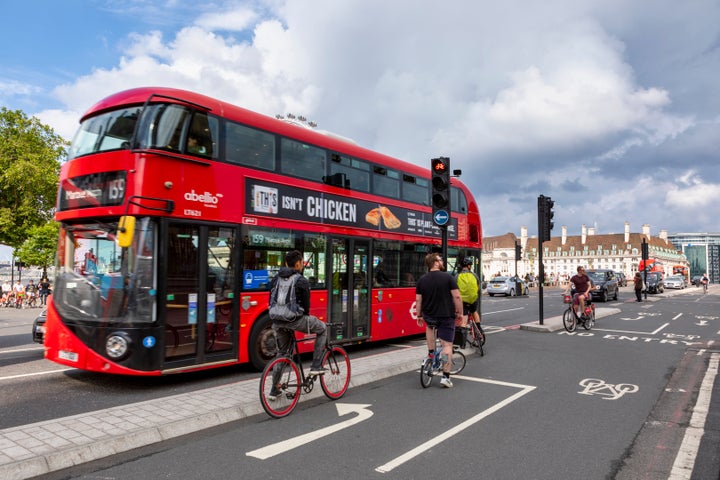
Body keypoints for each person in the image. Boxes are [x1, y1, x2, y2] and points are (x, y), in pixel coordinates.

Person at [268, 250, 328, 398]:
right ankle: (316, 366)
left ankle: (274, 391)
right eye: (302, 262)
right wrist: (305, 320)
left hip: (277, 321)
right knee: (322, 328)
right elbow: (306, 307)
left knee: (282, 354)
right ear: (297, 264)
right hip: (295, 320)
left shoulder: (276, 279)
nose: (303, 265)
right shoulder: (301, 280)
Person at [416, 253, 464, 388]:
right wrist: (460, 313)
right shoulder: (448, 278)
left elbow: (418, 300)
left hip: (429, 315)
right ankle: (445, 376)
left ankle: (431, 353)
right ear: (435, 263)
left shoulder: (422, 280)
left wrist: (419, 315)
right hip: (446, 316)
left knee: (430, 327)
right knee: (447, 346)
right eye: (440, 259)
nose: (442, 261)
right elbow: (457, 297)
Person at [456, 258, 482, 331]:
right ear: (469, 266)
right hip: (473, 299)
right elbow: (478, 286)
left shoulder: (457, 276)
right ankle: (479, 328)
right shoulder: (474, 275)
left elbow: (455, 289)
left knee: (464, 317)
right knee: (474, 311)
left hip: (463, 301)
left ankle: (463, 335)